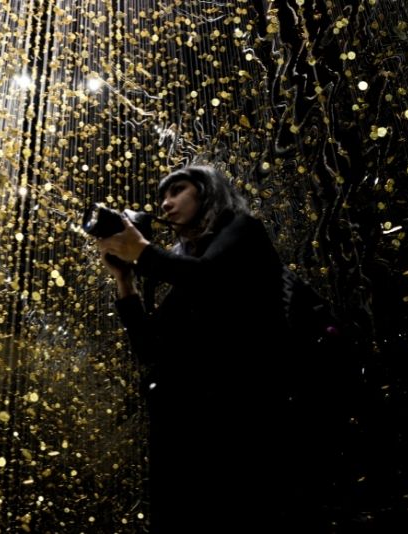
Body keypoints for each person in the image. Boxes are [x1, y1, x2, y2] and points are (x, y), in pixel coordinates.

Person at [98, 164, 334, 531]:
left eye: (178, 190)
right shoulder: (185, 273)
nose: (165, 203)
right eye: (162, 196)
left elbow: (210, 278)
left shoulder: (243, 231)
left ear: (207, 191)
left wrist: (142, 252)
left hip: (248, 424)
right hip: (195, 432)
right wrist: (125, 281)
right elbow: (150, 350)